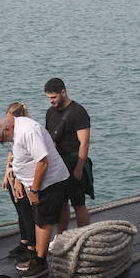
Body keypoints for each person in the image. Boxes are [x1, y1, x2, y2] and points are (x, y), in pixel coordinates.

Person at [0, 111, 68, 278]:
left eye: (3, 140)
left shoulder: (27, 131)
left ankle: (40, 262)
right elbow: (21, 157)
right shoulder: (15, 129)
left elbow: (42, 162)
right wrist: (19, 181)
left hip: (48, 183)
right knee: (38, 219)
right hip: (33, 183)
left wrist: (34, 189)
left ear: (7, 128)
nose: (5, 143)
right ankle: (36, 258)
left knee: (43, 222)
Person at [44, 78, 92, 232]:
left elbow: (84, 142)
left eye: (53, 97)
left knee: (78, 202)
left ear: (63, 92)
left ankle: (83, 236)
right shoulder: (50, 112)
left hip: (74, 161)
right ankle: (61, 236)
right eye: (48, 98)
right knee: (62, 202)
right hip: (58, 164)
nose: (51, 101)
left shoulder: (78, 112)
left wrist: (79, 168)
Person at [0, 102, 36, 267]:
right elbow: (11, 153)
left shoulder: (26, 132)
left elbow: (26, 159)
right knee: (20, 212)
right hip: (13, 174)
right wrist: (6, 174)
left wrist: (20, 181)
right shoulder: (13, 133)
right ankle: (24, 240)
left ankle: (32, 247)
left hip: (23, 177)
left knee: (27, 213)